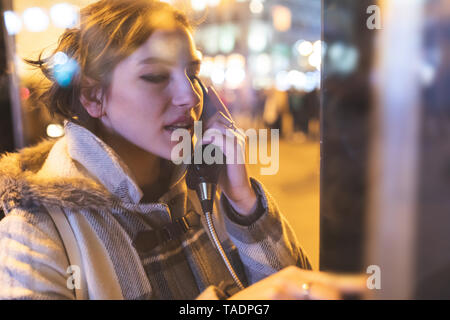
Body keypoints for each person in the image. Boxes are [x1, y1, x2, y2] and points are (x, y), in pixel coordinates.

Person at [0, 0, 363, 300]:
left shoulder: (205, 189)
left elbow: (294, 288)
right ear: (94, 96)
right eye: (156, 77)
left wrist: (243, 203)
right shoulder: (36, 229)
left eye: (192, 72)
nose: (189, 95)